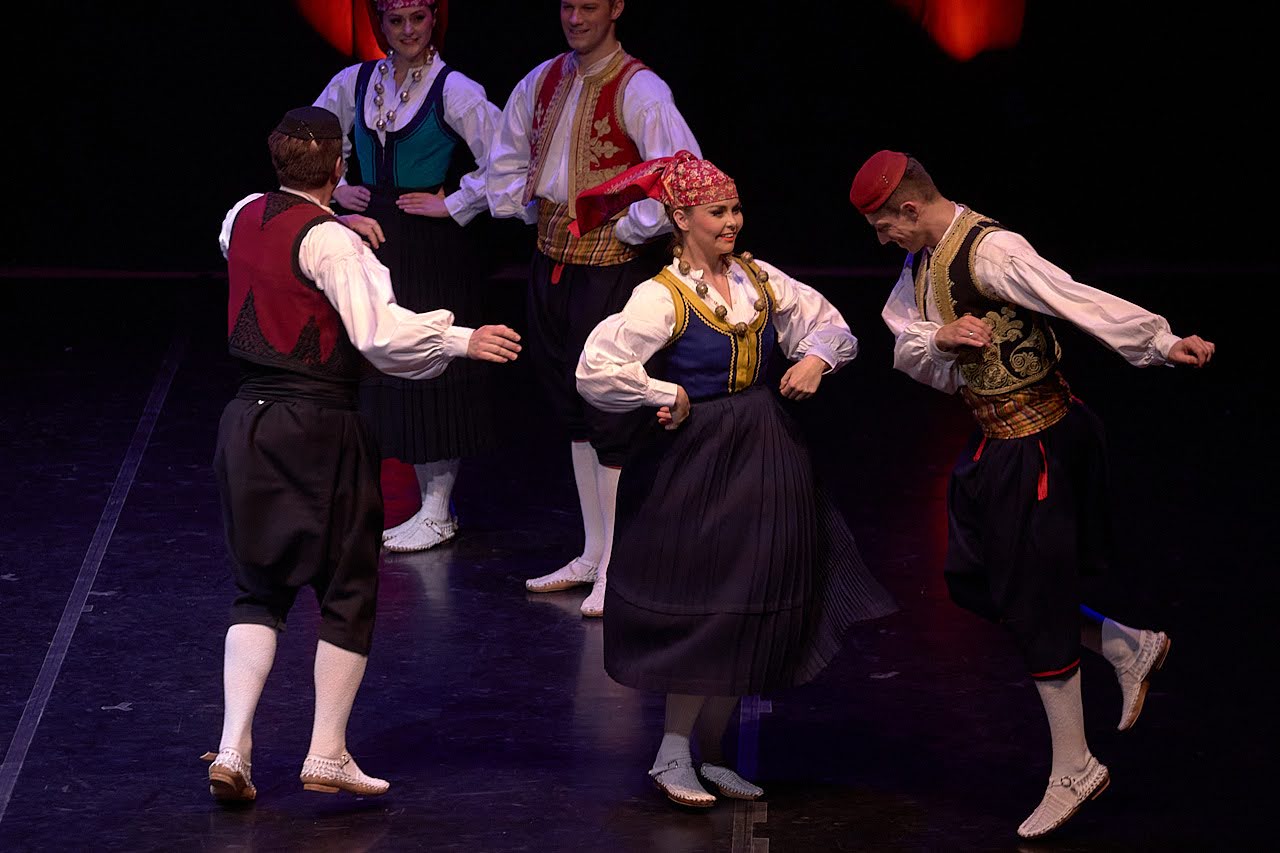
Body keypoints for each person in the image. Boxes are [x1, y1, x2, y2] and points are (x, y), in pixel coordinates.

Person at [849, 150, 1214, 839]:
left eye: (884, 225)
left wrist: (1159, 341)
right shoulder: (920, 262)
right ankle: (1124, 645)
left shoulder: (992, 251)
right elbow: (904, 339)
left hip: (1041, 443)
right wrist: (942, 336)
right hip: (997, 443)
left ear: (910, 208)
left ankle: (1075, 765)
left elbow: (1071, 296)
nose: (882, 239)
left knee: (1035, 598)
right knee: (974, 581)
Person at [203, 105, 521, 803]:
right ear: (341, 167)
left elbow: (265, 255)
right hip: (318, 422)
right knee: (347, 588)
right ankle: (326, 752)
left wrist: (331, 224)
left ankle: (232, 746)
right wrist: (460, 339)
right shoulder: (335, 245)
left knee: (257, 588)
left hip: (247, 421)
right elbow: (377, 336)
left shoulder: (242, 215)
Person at [574, 152, 897, 808]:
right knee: (710, 603)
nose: (732, 222)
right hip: (698, 459)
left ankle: (714, 753)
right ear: (681, 217)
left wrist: (815, 359)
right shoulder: (661, 295)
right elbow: (596, 369)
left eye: (736, 209)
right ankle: (672, 753)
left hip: (767, 450)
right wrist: (662, 390)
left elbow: (830, 325)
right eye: (717, 211)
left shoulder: (758, 278)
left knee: (754, 597)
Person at [486, 0, 701, 617]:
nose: (575, 17)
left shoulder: (640, 89)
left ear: (616, 8)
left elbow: (678, 173)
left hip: (610, 269)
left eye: (589, 5)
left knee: (610, 413)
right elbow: (506, 156)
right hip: (551, 262)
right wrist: (524, 205)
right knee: (573, 411)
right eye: (567, 5)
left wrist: (630, 227)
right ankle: (592, 551)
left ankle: (619, 563)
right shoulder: (542, 80)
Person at [314, 0, 502, 552]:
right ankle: (369, 500)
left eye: (417, 19)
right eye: (395, 21)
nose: (407, 31)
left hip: (429, 244)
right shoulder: (355, 81)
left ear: (432, 20)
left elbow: (507, 158)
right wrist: (337, 186)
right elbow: (313, 136)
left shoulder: (454, 88)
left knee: (431, 361)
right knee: (371, 361)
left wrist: (455, 203)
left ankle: (438, 511)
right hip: (371, 234)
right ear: (380, 24)